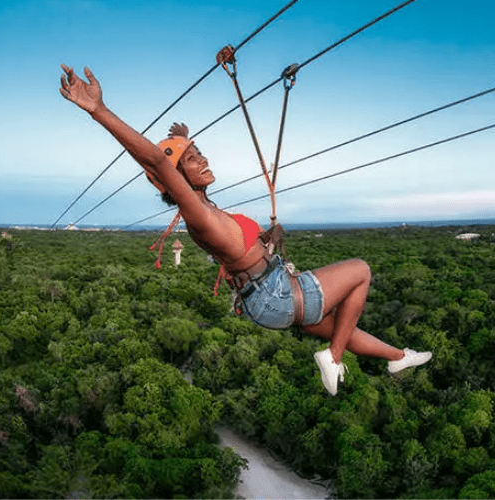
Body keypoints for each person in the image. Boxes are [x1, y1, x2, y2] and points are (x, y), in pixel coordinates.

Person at [59, 64, 432, 396]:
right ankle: (332, 359)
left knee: (343, 329)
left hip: (265, 297)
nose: (202, 158)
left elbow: (237, 250)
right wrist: (100, 111)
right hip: (277, 295)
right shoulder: (197, 214)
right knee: (361, 270)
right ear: (173, 181)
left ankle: (399, 357)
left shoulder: (207, 210)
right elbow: (157, 161)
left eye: (199, 151)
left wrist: (268, 240)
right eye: (191, 159)